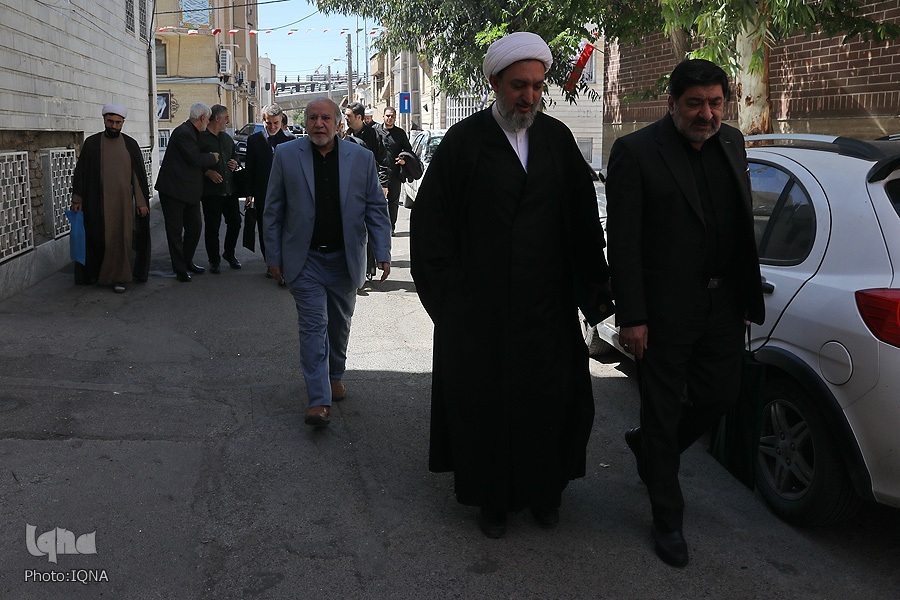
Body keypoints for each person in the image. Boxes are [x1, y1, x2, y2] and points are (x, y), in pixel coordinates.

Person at [409, 32, 611, 539]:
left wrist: (593, 292)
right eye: (519, 86)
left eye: (537, 87)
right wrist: (452, 302)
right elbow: (431, 228)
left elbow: (583, 221)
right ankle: (492, 499)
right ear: (495, 82)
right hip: (481, 310)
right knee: (487, 405)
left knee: (548, 400)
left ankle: (546, 491)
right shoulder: (463, 142)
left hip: (547, 308)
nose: (529, 96)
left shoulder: (557, 140)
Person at [605, 58, 765, 568]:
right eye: (695, 104)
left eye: (715, 103)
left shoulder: (732, 142)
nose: (707, 114)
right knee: (661, 409)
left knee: (722, 393)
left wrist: (744, 297)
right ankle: (668, 521)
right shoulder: (635, 152)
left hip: (723, 304)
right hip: (663, 311)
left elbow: (739, 225)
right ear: (672, 103)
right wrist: (632, 317)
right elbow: (623, 243)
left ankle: (652, 449)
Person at [263, 98, 392, 427]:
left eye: (325, 118)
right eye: (312, 118)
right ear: (305, 122)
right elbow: (273, 210)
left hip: (344, 259)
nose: (319, 124)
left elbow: (376, 208)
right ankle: (318, 400)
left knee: (338, 324)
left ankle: (334, 374)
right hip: (304, 260)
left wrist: (383, 251)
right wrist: (273, 257)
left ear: (338, 124)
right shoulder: (287, 156)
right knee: (313, 327)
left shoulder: (361, 158)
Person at [70, 103, 151, 293]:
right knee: (97, 238)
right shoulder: (92, 143)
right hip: (96, 203)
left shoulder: (130, 144)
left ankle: (119, 277)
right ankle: (96, 275)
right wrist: (77, 199)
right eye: (110, 122)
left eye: (117, 122)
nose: (114, 126)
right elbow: (81, 173)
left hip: (123, 205)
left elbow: (137, 177)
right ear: (104, 121)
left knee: (122, 240)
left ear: (123, 123)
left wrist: (141, 203)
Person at [155, 102, 219, 282]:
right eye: (208, 119)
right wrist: (212, 158)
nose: (208, 122)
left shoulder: (194, 132)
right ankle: (180, 269)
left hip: (189, 192)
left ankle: (187, 261)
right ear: (202, 118)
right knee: (175, 232)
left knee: (194, 228)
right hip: (173, 191)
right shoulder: (183, 132)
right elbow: (194, 158)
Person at [245, 103, 290, 276]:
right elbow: (250, 169)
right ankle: (271, 264)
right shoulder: (254, 141)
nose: (272, 127)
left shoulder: (290, 141)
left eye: (276, 123)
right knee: (266, 229)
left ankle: (285, 263)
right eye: (268, 123)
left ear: (281, 121)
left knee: (285, 228)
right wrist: (249, 193)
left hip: (286, 194)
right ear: (263, 120)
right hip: (263, 193)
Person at [199, 104, 242, 273]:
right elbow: (193, 160)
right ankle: (214, 260)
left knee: (235, 223)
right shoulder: (201, 138)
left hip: (230, 190)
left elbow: (235, 155)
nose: (228, 121)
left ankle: (229, 254)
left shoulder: (226, 138)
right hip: (211, 193)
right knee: (212, 227)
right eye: (226, 118)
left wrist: (235, 162)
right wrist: (207, 172)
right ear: (217, 118)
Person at [375, 106, 412, 234]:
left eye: (392, 116)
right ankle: (378, 227)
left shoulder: (400, 134)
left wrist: (404, 160)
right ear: (383, 116)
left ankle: (391, 227)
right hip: (377, 173)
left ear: (395, 118)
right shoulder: (375, 131)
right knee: (377, 202)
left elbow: (408, 151)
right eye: (387, 116)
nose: (389, 118)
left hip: (394, 173)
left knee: (393, 202)